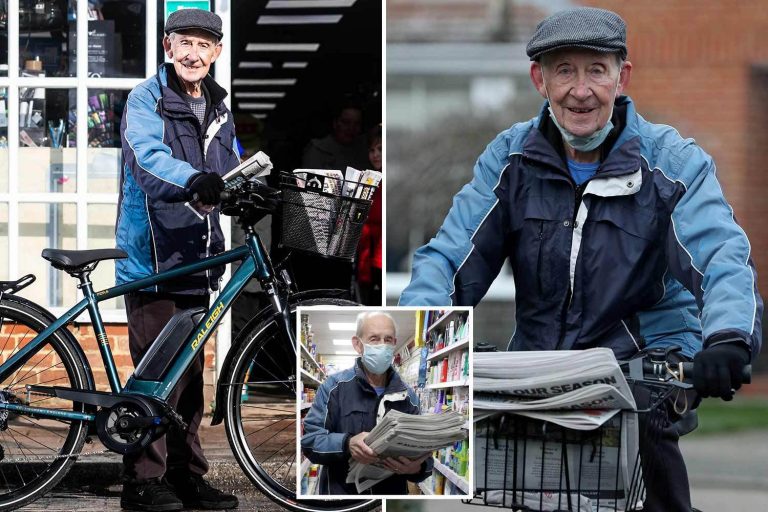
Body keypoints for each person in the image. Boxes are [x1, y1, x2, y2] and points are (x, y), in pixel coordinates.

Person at [399, 7, 763, 512]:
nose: (581, 89)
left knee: (650, 452)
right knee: (527, 483)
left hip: (646, 354)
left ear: (622, 75)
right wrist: (424, 335)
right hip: (543, 360)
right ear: (539, 79)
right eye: (564, 70)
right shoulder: (510, 161)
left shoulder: (672, 164)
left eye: (596, 69)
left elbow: (720, 254)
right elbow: (450, 257)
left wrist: (727, 338)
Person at [116, 8, 242, 512]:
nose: (193, 54)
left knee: (190, 382)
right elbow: (146, 158)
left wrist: (253, 186)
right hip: (153, 260)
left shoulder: (218, 107)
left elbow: (228, 162)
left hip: (197, 259)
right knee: (157, 373)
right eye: (183, 43)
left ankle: (187, 477)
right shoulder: (145, 99)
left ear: (216, 53)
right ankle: (142, 482)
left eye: (203, 45)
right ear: (168, 47)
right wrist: (192, 179)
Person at [301, 312, 433, 495]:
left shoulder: (408, 397)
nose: (382, 345)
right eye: (374, 339)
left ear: (394, 343)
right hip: (343, 499)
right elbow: (309, 441)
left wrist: (416, 468)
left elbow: (425, 455)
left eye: (388, 339)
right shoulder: (334, 388)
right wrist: (346, 443)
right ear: (358, 344)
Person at [357, 125, 383, 305]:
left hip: (377, 253)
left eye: (380, 149)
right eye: (372, 150)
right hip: (367, 252)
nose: (375, 154)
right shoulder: (370, 180)